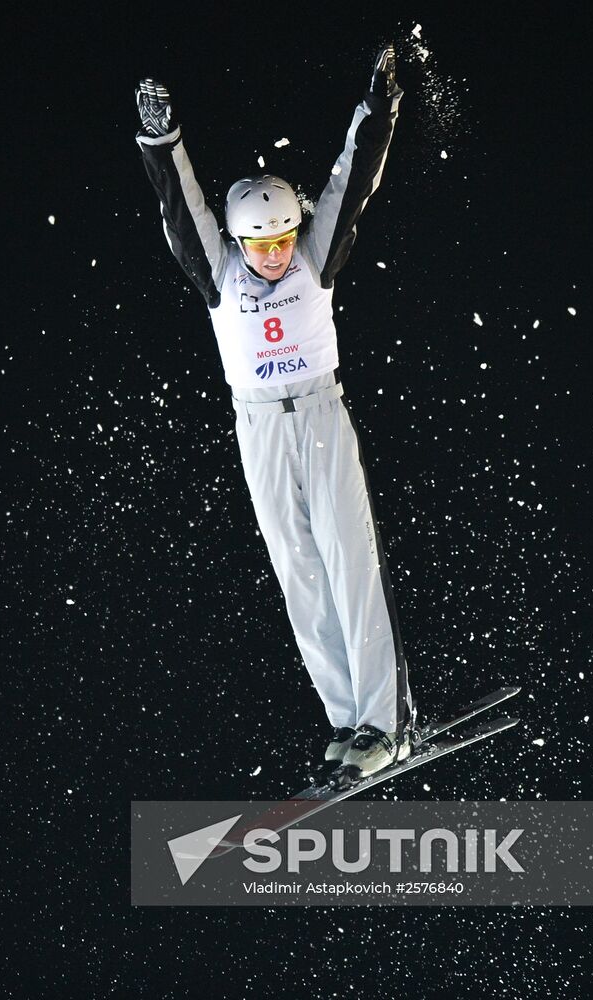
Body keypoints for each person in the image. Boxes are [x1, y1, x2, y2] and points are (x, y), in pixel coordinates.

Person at [134, 46, 413, 777]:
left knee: (351, 564)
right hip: (257, 425)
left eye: (285, 239)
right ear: (241, 241)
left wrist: (376, 108)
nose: (276, 255)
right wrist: (162, 140)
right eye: (263, 244)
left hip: (320, 416)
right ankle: (348, 722)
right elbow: (180, 207)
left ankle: (388, 722)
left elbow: (351, 184)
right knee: (298, 570)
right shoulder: (220, 275)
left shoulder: (314, 259)